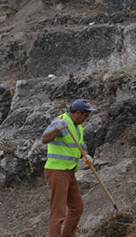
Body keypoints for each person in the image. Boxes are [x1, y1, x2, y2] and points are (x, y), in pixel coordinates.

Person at [41, 99, 97, 237]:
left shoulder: (78, 127)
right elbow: (45, 138)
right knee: (58, 212)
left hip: (70, 171)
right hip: (57, 171)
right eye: (85, 115)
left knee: (77, 208)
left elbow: (81, 146)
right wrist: (58, 128)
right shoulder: (61, 121)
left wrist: (86, 156)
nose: (86, 118)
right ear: (78, 113)